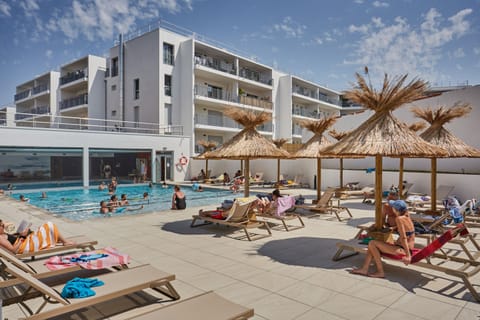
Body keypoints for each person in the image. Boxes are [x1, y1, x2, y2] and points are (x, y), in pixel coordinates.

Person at [350, 200, 415, 278]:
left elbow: (404, 237)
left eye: (393, 207)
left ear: (396, 209)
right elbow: (408, 231)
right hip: (407, 247)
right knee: (372, 246)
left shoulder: (399, 219)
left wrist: (408, 256)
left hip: (402, 249)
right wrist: (393, 228)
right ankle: (364, 269)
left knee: (372, 243)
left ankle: (380, 272)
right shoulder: (407, 215)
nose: (392, 209)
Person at [0, 219, 75, 254]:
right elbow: (13, 250)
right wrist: (22, 237)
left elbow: (11, 241)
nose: (4, 226)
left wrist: (18, 234)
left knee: (42, 229)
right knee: (49, 225)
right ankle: (65, 242)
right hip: (24, 246)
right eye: (2, 225)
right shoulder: (0, 238)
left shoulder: (2, 235)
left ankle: (57, 239)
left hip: (23, 242)